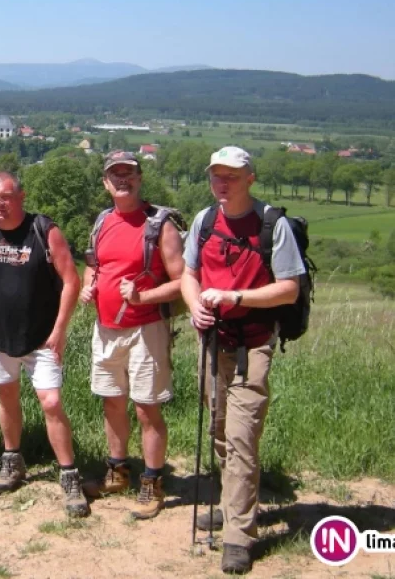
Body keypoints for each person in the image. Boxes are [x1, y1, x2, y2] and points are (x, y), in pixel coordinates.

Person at [181, 147, 305, 574]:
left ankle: (238, 535)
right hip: (214, 342)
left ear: (250, 177)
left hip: (253, 345)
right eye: (216, 174)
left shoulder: (273, 224)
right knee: (219, 428)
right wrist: (194, 303)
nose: (223, 182)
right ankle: (230, 504)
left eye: (231, 175)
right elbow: (188, 273)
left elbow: (289, 288)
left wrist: (237, 297)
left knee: (241, 438)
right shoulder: (203, 221)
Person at [0, 171, 90, 517]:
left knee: (51, 402)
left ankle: (69, 475)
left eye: (5, 197)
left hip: (41, 338)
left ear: (21, 196)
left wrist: (60, 329)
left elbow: (71, 281)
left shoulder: (44, 230)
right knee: (6, 396)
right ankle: (12, 460)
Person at [79, 152, 184, 520]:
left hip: (146, 329)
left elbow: (182, 281)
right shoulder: (103, 220)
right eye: (114, 175)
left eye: (129, 174)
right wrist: (87, 288)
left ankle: (152, 482)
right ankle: (118, 472)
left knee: (146, 407)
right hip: (106, 327)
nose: (122, 180)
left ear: (140, 178)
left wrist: (144, 297)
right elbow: (94, 265)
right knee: (111, 400)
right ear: (105, 182)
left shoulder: (160, 224)